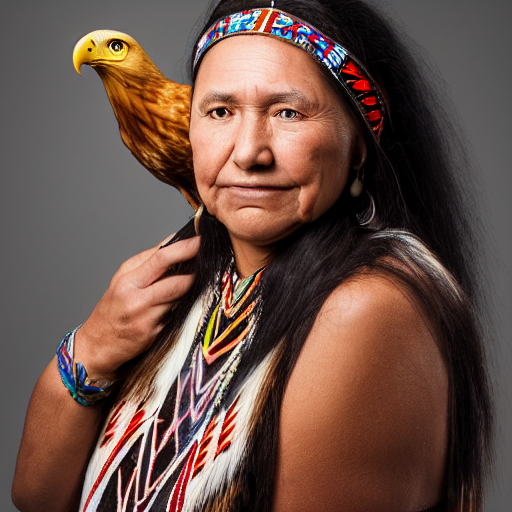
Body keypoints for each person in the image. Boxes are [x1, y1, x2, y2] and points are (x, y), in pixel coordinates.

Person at [12, 1, 493, 511]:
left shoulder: (365, 310)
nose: (248, 152)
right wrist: (91, 348)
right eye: (220, 111)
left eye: (288, 112)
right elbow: (37, 496)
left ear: (359, 143)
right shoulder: (199, 276)